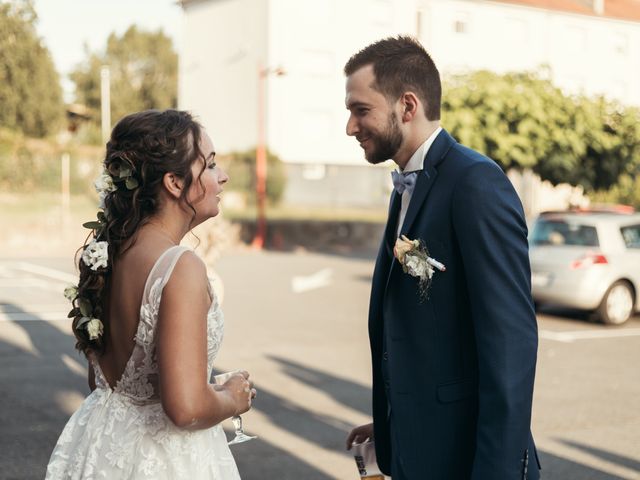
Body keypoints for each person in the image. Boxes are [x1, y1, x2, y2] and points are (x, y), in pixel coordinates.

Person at [344, 37, 540, 479]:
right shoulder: (406, 191)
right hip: (420, 450)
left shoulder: (476, 184)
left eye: (360, 110)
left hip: (467, 463)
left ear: (407, 106)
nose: (351, 127)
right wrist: (395, 423)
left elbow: (510, 345)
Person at [46, 109, 256, 479]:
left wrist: (204, 384)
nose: (222, 176)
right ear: (174, 182)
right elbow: (186, 407)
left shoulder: (111, 251)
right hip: (164, 462)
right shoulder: (180, 267)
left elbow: (105, 380)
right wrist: (231, 398)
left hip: (103, 443)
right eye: (209, 165)